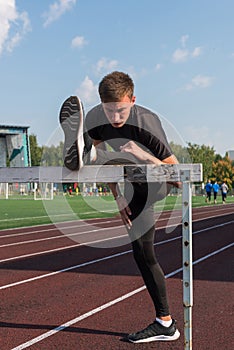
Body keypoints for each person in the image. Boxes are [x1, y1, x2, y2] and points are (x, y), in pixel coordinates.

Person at [59, 71, 180, 343]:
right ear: (101, 104)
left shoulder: (146, 122)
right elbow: (107, 164)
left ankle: (166, 323)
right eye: (108, 110)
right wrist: (116, 194)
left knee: (144, 255)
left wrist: (142, 155)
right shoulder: (96, 119)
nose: (115, 118)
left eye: (121, 110)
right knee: (142, 254)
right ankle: (83, 149)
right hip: (125, 182)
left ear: (133, 100)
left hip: (153, 182)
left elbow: (177, 177)